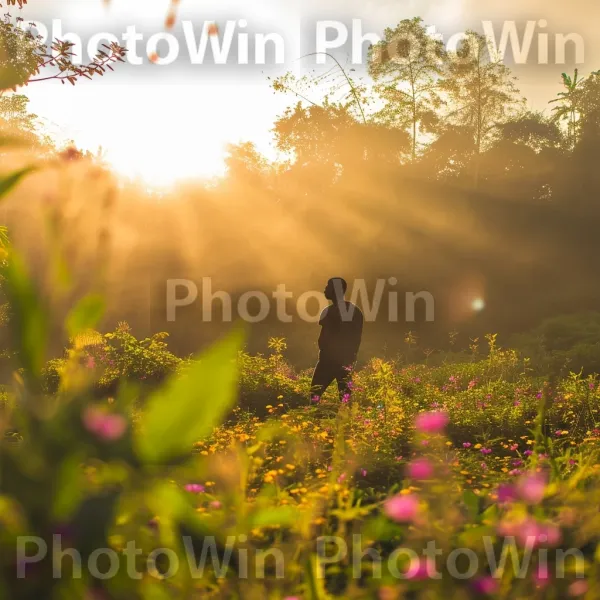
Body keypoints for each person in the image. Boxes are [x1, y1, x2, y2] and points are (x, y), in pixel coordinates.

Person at [310, 277, 363, 402]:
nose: (325, 289)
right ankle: (347, 420)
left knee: (314, 394)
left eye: (328, 286)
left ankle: (313, 419)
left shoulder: (329, 311)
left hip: (327, 360)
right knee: (345, 396)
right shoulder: (355, 311)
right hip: (346, 359)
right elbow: (357, 337)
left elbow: (324, 337)